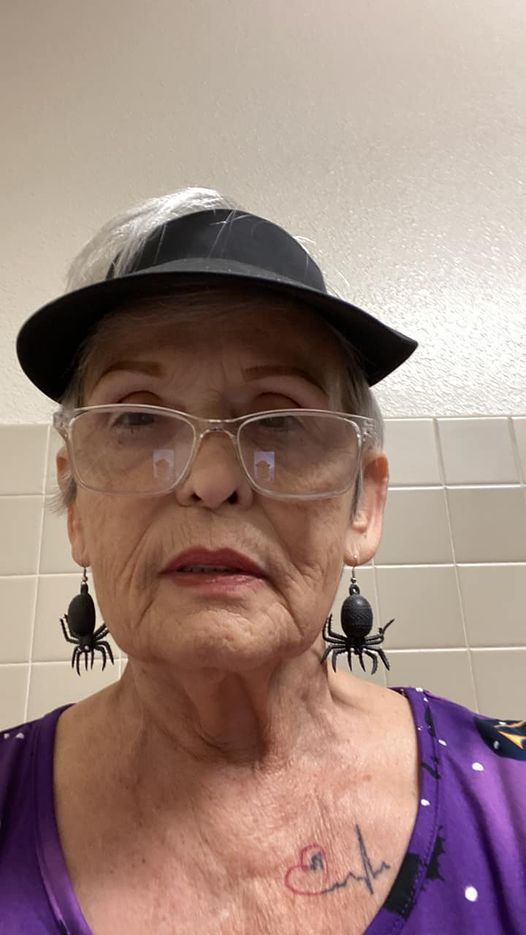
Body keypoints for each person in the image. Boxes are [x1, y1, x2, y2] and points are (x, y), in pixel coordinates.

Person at [2, 187, 524, 934]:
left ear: (363, 506)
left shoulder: (513, 799)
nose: (211, 481)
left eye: (279, 417)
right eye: (139, 416)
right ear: (77, 506)